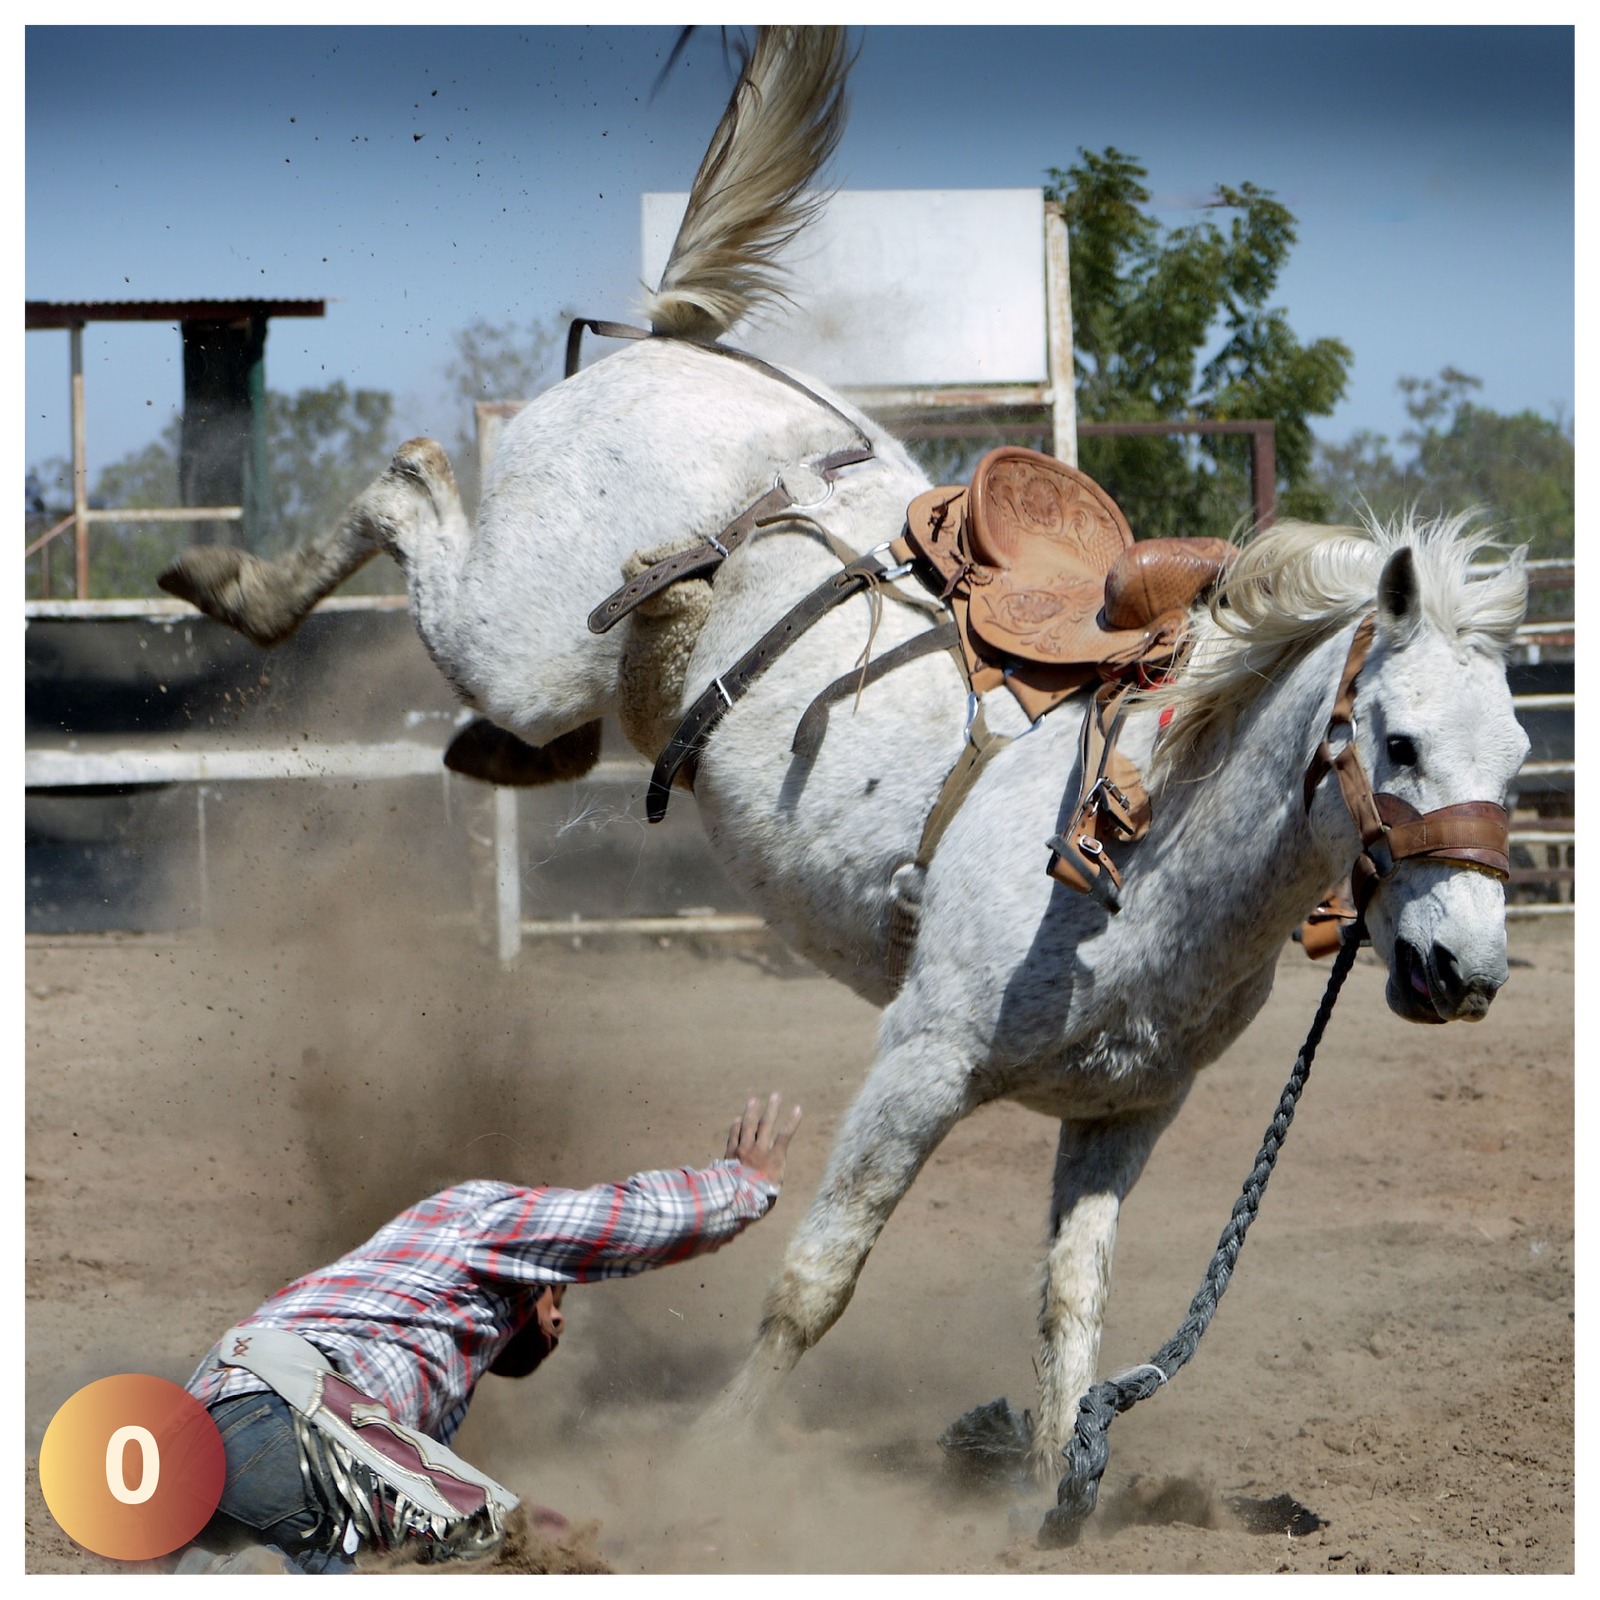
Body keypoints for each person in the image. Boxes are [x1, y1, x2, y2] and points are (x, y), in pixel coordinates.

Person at [173, 1092, 802, 1577]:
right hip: (288, 1417)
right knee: (517, 1561)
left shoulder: (392, 1329)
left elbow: (457, 1514)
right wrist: (743, 1184)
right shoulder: (481, 1218)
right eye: (559, 1296)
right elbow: (622, 1221)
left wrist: (614, 1549)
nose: (558, 1323)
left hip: (195, 1460)